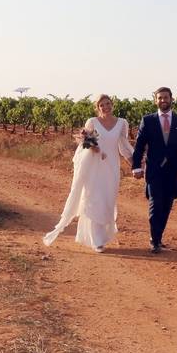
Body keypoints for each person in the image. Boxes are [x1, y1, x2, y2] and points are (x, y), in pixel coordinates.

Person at [43, 94, 134, 252]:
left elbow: (124, 146)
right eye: (101, 105)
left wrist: (135, 164)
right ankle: (96, 240)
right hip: (94, 166)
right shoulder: (92, 122)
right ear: (97, 107)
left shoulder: (122, 123)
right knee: (93, 199)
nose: (105, 107)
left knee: (108, 200)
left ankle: (103, 235)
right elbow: (84, 144)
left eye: (107, 103)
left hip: (111, 166)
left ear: (112, 104)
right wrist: (94, 147)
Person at [131, 87, 177, 253]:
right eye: (160, 98)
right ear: (155, 100)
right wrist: (136, 166)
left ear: (171, 99)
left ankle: (158, 236)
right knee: (155, 204)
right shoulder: (148, 120)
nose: (163, 100)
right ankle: (154, 239)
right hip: (154, 170)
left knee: (166, 205)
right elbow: (139, 146)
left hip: (174, 170)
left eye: (166, 97)